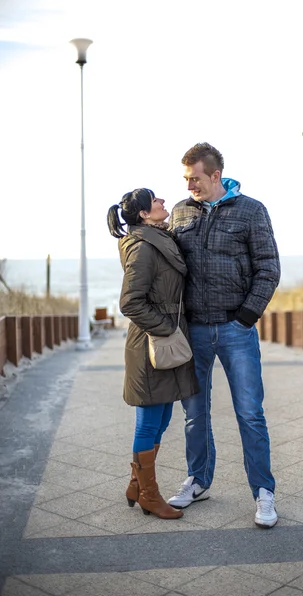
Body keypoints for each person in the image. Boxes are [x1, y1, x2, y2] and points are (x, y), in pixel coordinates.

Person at [167, 143, 281, 528]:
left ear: (215, 175)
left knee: (250, 413)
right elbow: (168, 265)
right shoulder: (181, 212)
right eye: (186, 179)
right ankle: (198, 481)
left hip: (236, 329)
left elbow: (268, 267)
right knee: (194, 415)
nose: (189, 185)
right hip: (195, 330)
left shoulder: (252, 210)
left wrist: (246, 317)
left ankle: (264, 493)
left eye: (195, 178)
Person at [107, 188, 198, 520]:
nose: (163, 202)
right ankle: (149, 494)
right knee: (148, 420)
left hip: (163, 339)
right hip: (151, 343)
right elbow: (130, 302)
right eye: (156, 200)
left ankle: (136, 484)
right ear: (145, 214)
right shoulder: (143, 248)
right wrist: (166, 328)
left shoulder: (159, 238)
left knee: (162, 417)